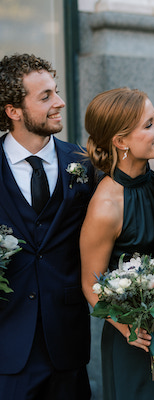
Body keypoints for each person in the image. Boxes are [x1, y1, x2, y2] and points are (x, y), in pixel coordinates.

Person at [79, 88, 154, 400]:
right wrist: (129, 327)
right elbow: (90, 282)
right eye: (149, 125)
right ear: (121, 141)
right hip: (136, 339)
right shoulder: (106, 206)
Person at [0, 53, 95, 399]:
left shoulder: (84, 164)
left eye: (56, 91)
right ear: (14, 111)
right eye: (46, 97)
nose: (60, 102)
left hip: (67, 344)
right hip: (6, 344)